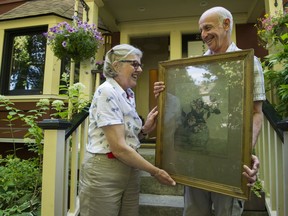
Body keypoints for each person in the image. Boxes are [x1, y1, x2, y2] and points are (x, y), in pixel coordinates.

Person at [154, 6, 266, 216]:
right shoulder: (195, 68)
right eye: (201, 30)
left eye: (208, 27)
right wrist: (163, 95)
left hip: (228, 163)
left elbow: (255, 113)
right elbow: (183, 110)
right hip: (196, 160)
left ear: (226, 25)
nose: (204, 35)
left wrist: (243, 152)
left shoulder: (249, 64)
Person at [79, 44, 176, 216]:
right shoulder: (107, 92)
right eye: (134, 64)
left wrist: (144, 130)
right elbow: (118, 148)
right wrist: (155, 172)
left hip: (131, 168)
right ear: (116, 65)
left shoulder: (128, 94)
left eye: (140, 65)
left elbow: (125, 137)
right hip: (105, 171)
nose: (139, 69)